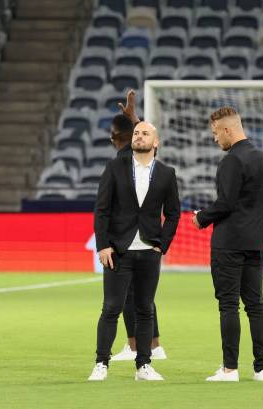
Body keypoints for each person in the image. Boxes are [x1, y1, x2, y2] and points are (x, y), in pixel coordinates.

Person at [90, 121, 180, 381]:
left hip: (149, 252)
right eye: (137, 133)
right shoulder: (114, 167)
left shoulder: (166, 173)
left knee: (144, 309)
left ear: (156, 142)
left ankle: (143, 365)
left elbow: (173, 213)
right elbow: (102, 209)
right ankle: (101, 364)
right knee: (111, 308)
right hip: (119, 251)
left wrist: (162, 244)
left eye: (146, 133)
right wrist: (103, 245)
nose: (139, 136)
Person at [192, 106, 263, 382]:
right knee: (256, 305)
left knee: (228, 305)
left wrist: (201, 217)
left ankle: (230, 369)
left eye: (216, 133)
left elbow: (225, 203)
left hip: (229, 242)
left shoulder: (231, 161)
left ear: (228, 130)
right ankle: (262, 369)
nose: (215, 139)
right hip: (256, 240)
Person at [108, 90, 167, 361]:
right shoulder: (140, 160)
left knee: (129, 295)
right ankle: (154, 345)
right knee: (143, 295)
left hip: (128, 240)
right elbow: (148, 138)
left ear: (114, 137)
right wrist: (134, 118)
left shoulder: (122, 163)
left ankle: (135, 347)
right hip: (145, 241)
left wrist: (134, 120)